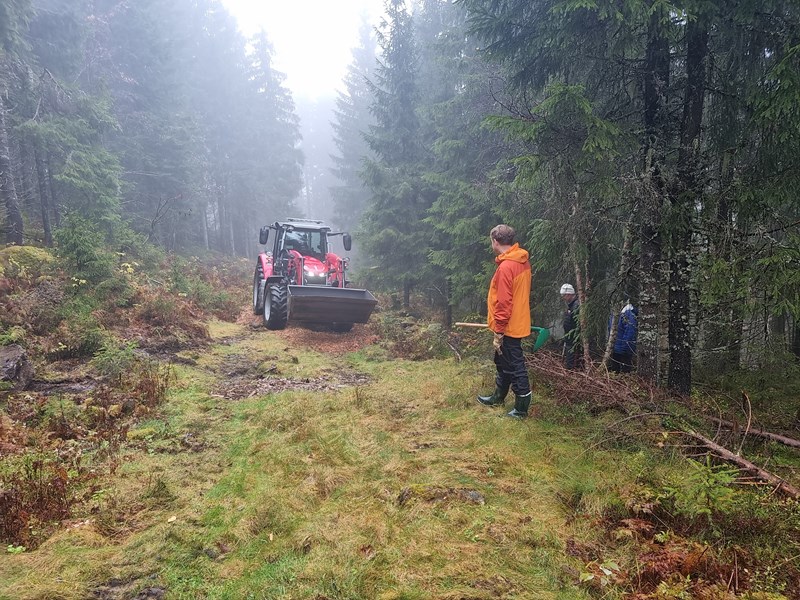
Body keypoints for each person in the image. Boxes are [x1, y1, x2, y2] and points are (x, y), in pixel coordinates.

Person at [476, 224, 533, 418]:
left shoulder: (507, 267)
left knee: (516, 366)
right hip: (514, 323)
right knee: (503, 362)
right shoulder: (521, 261)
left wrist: (499, 331)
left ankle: (522, 409)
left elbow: (503, 302)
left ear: (495, 241)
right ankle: (498, 397)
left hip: (509, 327)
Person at [609, 301, 638, 373]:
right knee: (615, 370)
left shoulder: (628, 314)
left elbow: (630, 332)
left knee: (625, 370)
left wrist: (625, 348)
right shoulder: (615, 313)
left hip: (624, 349)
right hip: (615, 348)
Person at [560, 283, 582, 369]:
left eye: (564, 295)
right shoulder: (571, 305)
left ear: (569, 294)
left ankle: (571, 372)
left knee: (572, 357)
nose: (563, 298)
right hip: (569, 337)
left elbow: (577, 322)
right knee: (569, 356)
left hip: (573, 338)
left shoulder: (576, 305)